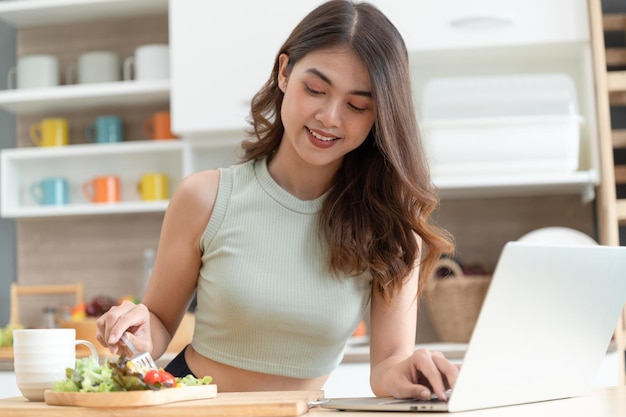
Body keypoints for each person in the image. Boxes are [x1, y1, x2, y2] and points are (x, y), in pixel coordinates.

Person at [96, 0, 458, 401]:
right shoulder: (205, 198)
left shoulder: (391, 228)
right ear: (285, 72)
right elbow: (161, 322)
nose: (330, 117)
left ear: (381, 116)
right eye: (315, 89)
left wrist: (412, 370)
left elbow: (388, 364)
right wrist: (139, 329)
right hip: (193, 405)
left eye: (357, 105)